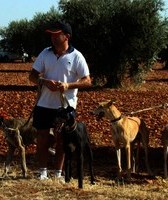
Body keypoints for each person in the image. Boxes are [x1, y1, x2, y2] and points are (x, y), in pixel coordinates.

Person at [29, 21, 92, 180]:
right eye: (51, 35)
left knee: (62, 139)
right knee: (42, 137)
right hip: (44, 104)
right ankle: (42, 172)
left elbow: (87, 80)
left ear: (67, 37)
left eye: (57, 35)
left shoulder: (76, 56)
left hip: (65, 107)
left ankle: (58, 173)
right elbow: (32, 76)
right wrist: (44, 82)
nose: (53, 37)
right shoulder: (45, 53)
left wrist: (68, 85)